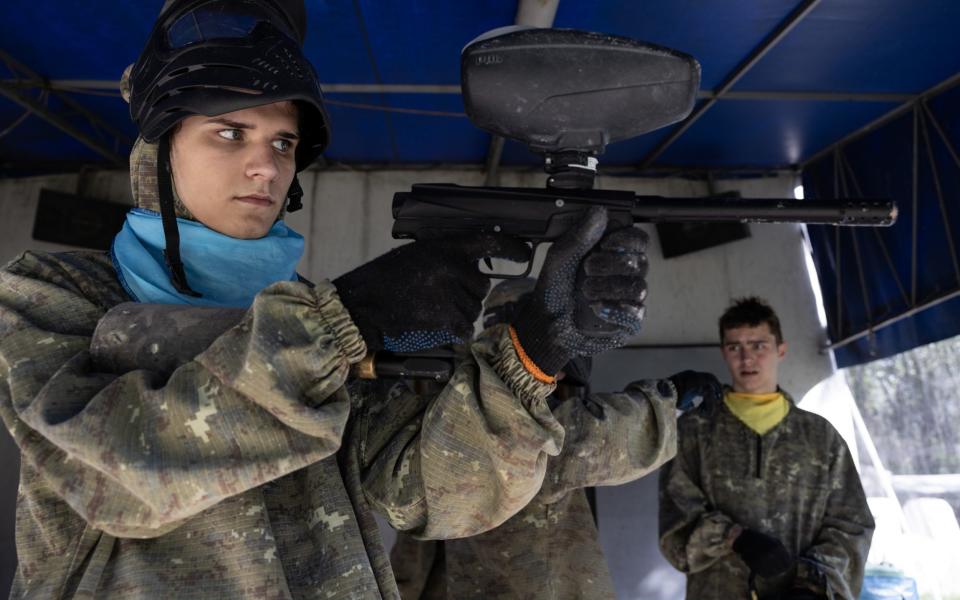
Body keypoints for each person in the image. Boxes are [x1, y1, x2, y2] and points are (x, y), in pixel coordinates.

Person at [0, 1, 651, 598]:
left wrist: (535, 350)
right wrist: (343, 323)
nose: (266, 165)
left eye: (282, 143)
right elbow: (117, 474)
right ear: (159, 151)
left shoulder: (307, 322)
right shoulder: (50, 295)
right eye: (230, 133)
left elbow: (429, 494)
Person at [389, 278, 723, 600]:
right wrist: (671, 398)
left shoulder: (453, 412)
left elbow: (414, 550)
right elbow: (594, 439)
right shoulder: (523, 419)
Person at [658, 297, 875, 600]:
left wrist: (814, 584)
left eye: (758, 345)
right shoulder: (694, 431)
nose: (747, 358)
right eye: (735, 347)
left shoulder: (819, 436)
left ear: (780, 350)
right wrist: (735, 538)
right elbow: (676, 522)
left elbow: (852, 523)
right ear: (724, 353)